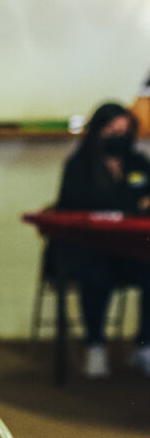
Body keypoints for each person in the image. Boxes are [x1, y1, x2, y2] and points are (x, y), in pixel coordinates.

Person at [56, 102, 150, 378]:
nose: (117, 136)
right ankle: (95, 346)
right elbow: (77, 202)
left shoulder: (138, 163)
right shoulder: (79, 165)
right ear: (97, 131)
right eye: (111, 129)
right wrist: (132, 200)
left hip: (132, 251)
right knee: (96, 277)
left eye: (123, 130)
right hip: (90, 251)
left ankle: (144, 346)